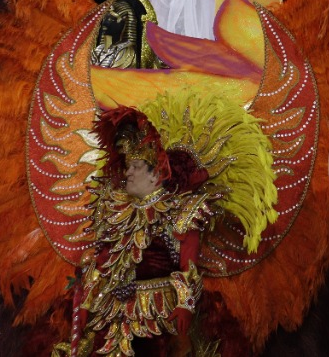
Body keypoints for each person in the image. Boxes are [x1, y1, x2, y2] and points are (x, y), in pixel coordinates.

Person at [57, 91, 278, 357]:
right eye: (127, 166)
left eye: (135, 167)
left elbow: (189, 266)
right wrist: (87, 294)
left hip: (160, 313)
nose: (127, 172)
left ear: (155, 175)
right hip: (113, 314)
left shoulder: (179, 211)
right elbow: (103, 260)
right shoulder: (113, 209)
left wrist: (185, 303)